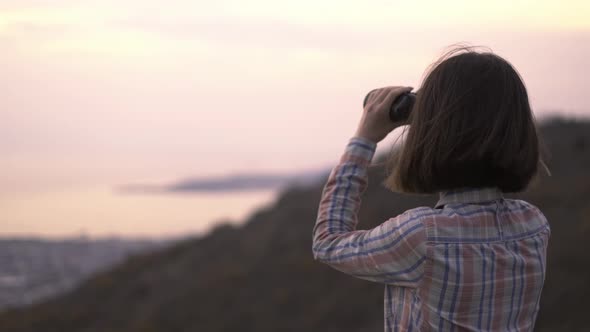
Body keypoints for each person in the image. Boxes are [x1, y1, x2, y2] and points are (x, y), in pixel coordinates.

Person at [312, 47, 550, 331]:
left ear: (434, 133)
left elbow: (327, 242)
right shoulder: (534, 226)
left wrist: (364, 138)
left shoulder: (423, 235)